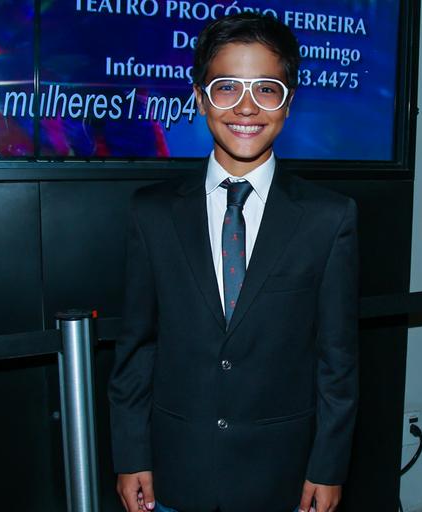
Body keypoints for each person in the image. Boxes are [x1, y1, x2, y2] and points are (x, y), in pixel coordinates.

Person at [109, 12, 359, 512]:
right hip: (176, 471)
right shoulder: (152, 213)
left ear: (289, 102)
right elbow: (137, 348)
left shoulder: (328, 218)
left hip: (282, 475)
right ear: (200, 97)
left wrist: (327, 466)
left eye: (266, 88)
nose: (247, 106)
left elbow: (337, 361)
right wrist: (131, 454)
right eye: (227, 87)